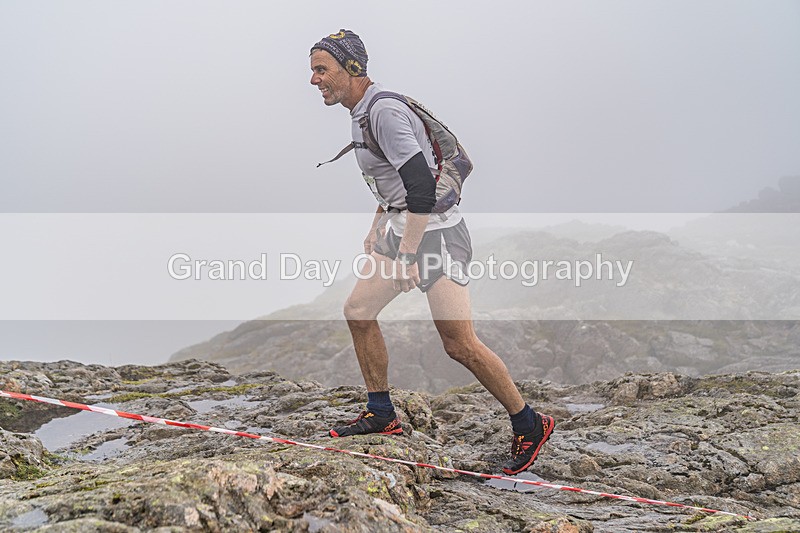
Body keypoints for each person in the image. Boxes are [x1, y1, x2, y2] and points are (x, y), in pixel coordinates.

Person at [309, 29, 554, 475]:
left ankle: (530, 423)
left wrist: (406, 254)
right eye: (313, 70)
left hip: (436, 234)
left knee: (458, 344)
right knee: (358, 310)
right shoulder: (359, 110)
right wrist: (378, 224)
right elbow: (394, 179)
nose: (313, 79)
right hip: (404, 227)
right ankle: (381, 413)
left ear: (352, 69)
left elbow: (421, 186)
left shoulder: (383, 112)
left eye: (322, 69)